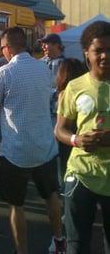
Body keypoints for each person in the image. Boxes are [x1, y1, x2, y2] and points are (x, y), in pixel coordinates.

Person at [0, 27, 66, 254]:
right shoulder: (44, 69)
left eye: (2, 48)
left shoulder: (4, 73)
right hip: (45, 146)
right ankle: (60, 240)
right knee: (51, 195)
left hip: (16, 151)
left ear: (7, 47)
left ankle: (22, 251)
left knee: (16, 204)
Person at [55, 21, 110, 253]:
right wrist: (77, 140)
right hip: (81, 174)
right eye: (99, 50)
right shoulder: (75, 87)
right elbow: (60, 130)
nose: (105, 55)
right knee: (76, 246)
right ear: (87, 52)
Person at [55, 58, 86, 180]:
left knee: (66, 170)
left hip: (67, 138)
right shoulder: (86, 92)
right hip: (83, 136)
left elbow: (59, 124)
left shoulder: (64, 94)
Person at [40, 33, 66, 125]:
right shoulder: (39, 63)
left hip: (57, 110)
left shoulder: (65, 64)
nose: (43, 47)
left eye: (46, 44)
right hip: (41, 109)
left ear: (56, 45)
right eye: (42, 44)